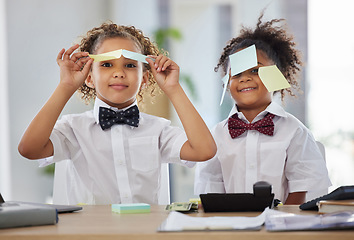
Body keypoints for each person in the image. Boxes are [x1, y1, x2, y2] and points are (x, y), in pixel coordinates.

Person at [18, 22, 216, 205]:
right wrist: (65, 86)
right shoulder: (72, 128)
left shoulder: (159, 130)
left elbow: (204, 150)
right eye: (106, 64)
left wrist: (173, 88)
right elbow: (29, 149)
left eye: (130, 65)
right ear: (88, 78)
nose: (119, 72)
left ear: (145, 78)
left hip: (144, 231)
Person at [194, 14, 331, 205]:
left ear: (278, 76)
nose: (245, 78)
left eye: (255, 70)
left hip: (281, 228)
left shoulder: (295, 132)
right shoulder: (215, 137)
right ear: (226, 83)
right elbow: (209, 189)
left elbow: (303, 187)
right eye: (237, 74)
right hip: (230, 228)